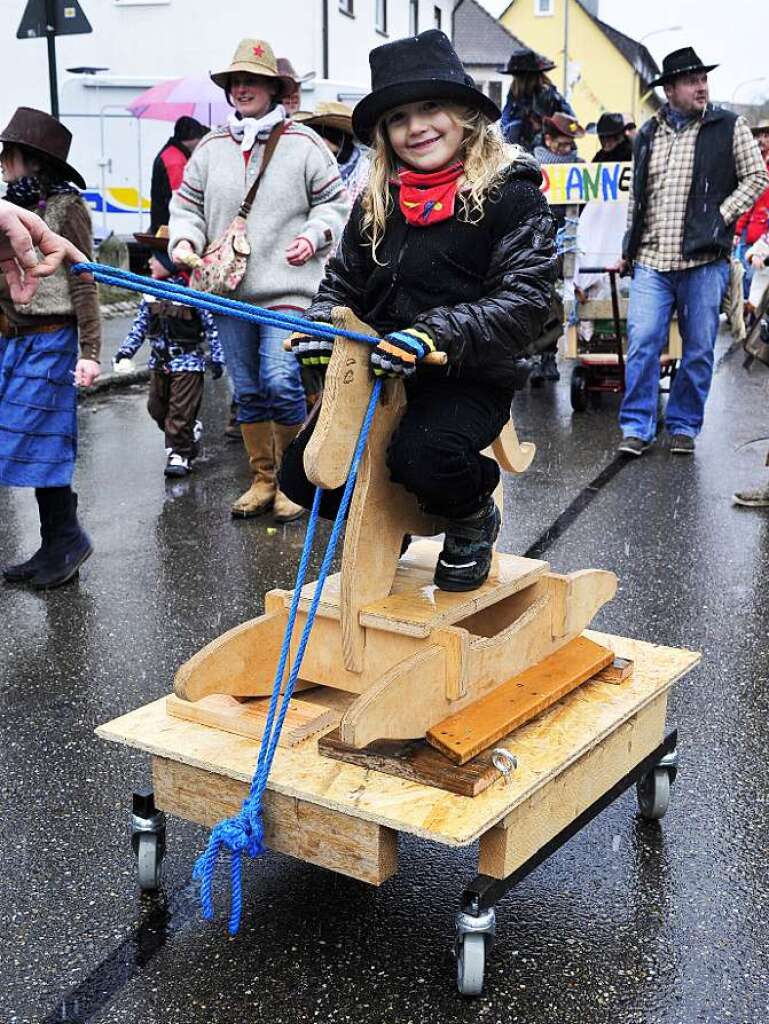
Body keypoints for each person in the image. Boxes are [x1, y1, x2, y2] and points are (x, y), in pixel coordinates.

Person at [284, 30, 556, 592]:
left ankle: (472, 514)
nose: (417, 127)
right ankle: (401, 516)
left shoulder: (513, 192)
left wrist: (432, 334)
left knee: (422, 456)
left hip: (469, 373)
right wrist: (322, 326)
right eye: (399, 116)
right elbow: (342, 283)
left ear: (463, 112)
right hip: (382, 372)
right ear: (384, 133)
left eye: (430, 106)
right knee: (304, 475)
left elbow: (525, 302)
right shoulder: (377, 197)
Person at [169, 38, 350, 522]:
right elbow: (185, 207)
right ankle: (263, 479)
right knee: (246, 389)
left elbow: (336, 204)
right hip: (228, 291)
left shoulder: (305, 144)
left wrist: (314, 236)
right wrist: (183, 241)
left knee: (279, 379)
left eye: (253, 80)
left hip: (289, 288)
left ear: (274, 88)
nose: (243, 88)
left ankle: (293, 482)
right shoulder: (209, 148)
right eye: (236, 81)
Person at [617, 47, 769, 457]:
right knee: (644, 341)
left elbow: (757, 177)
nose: (701, 86)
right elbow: (638, 199)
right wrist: (627, 249)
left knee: (699, 347)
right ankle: (636, 426)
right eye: (691, 80)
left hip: (704, 261)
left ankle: (683, 425)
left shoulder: (728, 126)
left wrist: (720, 214)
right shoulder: (647, 133)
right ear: (669, 90)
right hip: (651, 260)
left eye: (703, 79)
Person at [0, 107, 101, 588]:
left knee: (41, 443)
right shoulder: (11, 209)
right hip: (13, 342)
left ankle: (68, 539)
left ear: (32, 161)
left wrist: (91, 351)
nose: (2, 163)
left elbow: (85, 282)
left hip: (50, 341)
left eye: (9, 155)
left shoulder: (66, 209)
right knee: (36, 447)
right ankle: (56, 542)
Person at [113, 227, 224, 478]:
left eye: (155, 257)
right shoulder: (150, 291)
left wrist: (217, 358)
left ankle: (180, 455)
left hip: (188, 363)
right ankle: (186, 432)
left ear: (168, 262)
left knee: (179, 413)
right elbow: (140, 326)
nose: (150, 261)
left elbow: (211, 327)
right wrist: (125, 352)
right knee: (156, 408)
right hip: (159, 363)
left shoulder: (193, 291)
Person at [530, 112, 585, 386]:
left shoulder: (580, 169)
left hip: (566, 245)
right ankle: (533, 355)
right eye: (562, 145)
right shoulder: (532, 166)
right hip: (536, 245)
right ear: (548, 140)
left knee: (557, 302)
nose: (567, 150)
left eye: (570, 146)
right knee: (536, 299)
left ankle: (548, 355)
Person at [0, 198, 87, 303]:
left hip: (56, 313)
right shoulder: (10, 203)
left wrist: (89, 319)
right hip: (12, 310)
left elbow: (82, 282)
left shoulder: (69, 206)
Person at [500, 47, 575, 153]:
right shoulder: (515, 94)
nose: (517, 80)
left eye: (519, 76)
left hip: (550, 150)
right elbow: (505, 121)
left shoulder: (548, 95)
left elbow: (570, 123)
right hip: (522, 149)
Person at [295, 101, 369, 203]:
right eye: (314, 132)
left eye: (322, 133)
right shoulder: (308, 168)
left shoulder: (363, 174)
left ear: (341, 137)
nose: (317, 141)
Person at [734, 120, 769, 317]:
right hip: (753, 231)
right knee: (746, 276)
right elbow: (748, 200)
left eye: (766, 136)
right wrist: (738, 230)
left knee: (761, 279)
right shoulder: (755, 165)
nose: (762, 140)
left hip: (766, 232)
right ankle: (750, 321)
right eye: (760, 135)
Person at [150, 116, 208, 232]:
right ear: (193, 138)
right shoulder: (175, 161)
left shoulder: (171, 154)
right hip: (170, 232)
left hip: (166, 228)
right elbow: (180, 200)